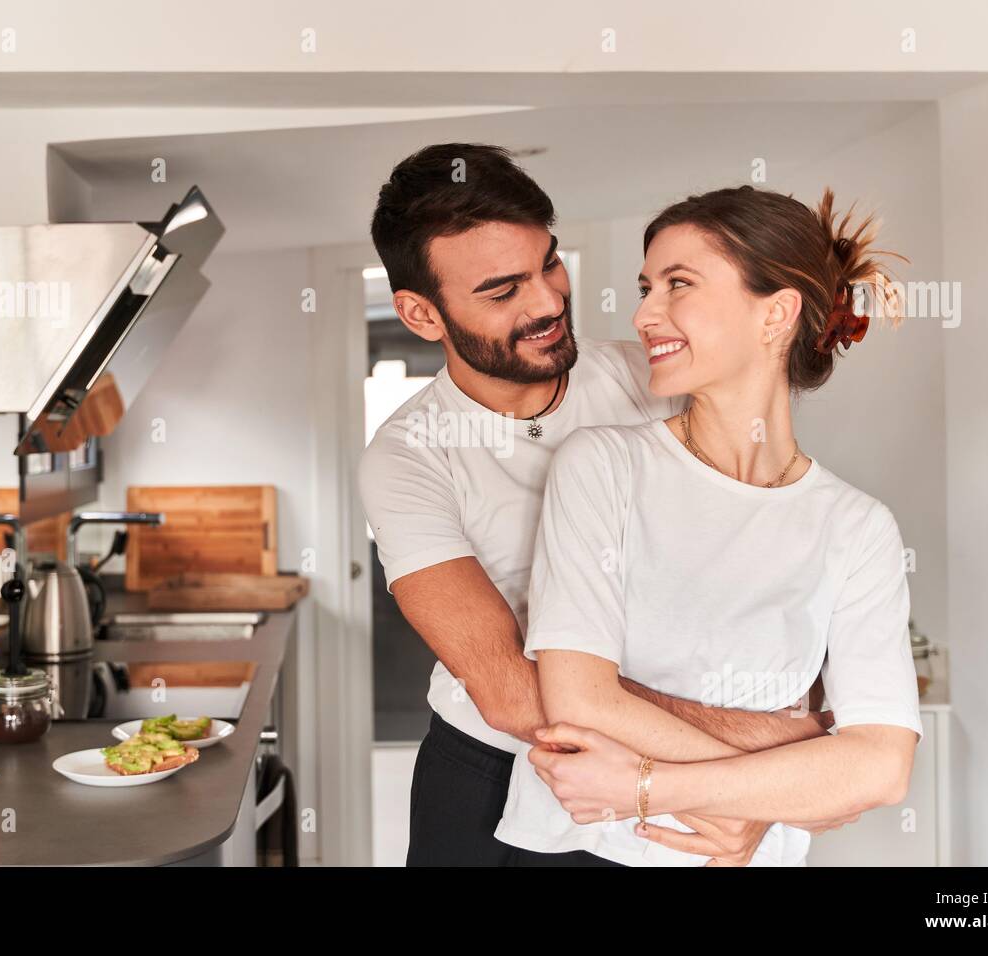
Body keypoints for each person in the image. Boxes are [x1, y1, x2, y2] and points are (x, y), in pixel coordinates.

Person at [360, 147, 839, 866]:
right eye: (502, 291)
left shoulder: (658, 380)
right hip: (493, 771)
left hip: (664, 771)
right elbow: (513, 694)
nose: (549, 302)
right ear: (421, 314)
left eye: (548, 264)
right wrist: (754, 763)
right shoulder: (407, 458)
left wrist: (739, 785)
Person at [493, 185, 923, 866]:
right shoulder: (603, 466)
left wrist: (656, 787)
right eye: (645, 287)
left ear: (775, 314)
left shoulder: (856, 526)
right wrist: (773, 788)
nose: (642, 314)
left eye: (678, 285)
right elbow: (579, 699)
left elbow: (881, 767)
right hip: (576, 848)